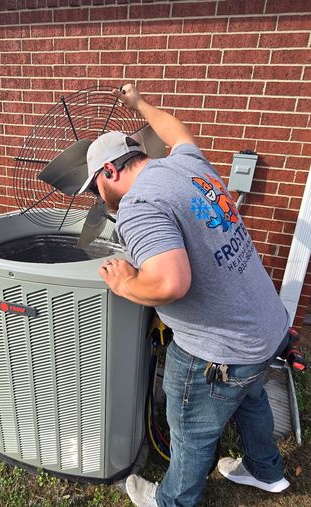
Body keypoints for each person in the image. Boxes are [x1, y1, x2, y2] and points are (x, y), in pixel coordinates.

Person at [78, 84, 291, 507]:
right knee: (251, 401)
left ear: (110, 172)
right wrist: (139, 104)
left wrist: (124, 283)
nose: (97, 200)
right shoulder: (187, 163)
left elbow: (171, 283)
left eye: (94, 190)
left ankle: (172, 500)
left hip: (217, 350)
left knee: (191, 429)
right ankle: (267, 473)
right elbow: (175, 131)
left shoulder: (138, 206)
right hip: (266, 327)